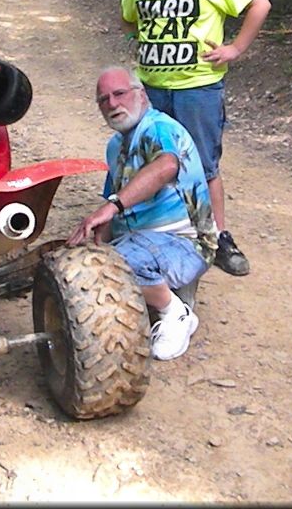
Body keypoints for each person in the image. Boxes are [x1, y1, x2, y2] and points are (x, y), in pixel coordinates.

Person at [121, 0, 271, 276]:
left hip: (198, 88)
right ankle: (157, 232)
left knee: (203, 165)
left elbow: (259, 4)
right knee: (151, 163)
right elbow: (128, 19)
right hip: (151, 89)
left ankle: (217, 237)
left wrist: (235, 48)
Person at [67, 66, 217, 361]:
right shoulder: (115, 147)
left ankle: (176, 312)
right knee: (90, 264)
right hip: (141, 241)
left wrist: (112, 207)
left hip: (184, 243)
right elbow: (113, 206)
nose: (112, 104)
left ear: (142, 94)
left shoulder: (158, 127)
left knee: (115, 265)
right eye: (103, 99)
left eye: (120, 94)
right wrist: (94, 246)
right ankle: (155, 294)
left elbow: (165, 167)